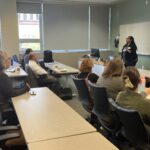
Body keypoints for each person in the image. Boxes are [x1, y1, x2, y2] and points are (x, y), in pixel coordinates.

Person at [116, 67, 150, 133]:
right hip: (145, 136)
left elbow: (134, 97)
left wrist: (145, 93)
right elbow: (139, 101)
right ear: (140, 81)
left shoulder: (119, 96)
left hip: (128, 132)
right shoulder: (146, 103)